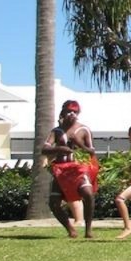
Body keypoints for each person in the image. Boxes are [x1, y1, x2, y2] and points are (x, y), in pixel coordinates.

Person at [41, 99, 98, 239]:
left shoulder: (84, 130)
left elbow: (91, 151)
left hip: (79, 169)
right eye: (68, 111)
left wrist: (79, 144)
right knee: (54, 203)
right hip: (61, 170)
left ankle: (88, 229)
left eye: (75, 111)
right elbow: (44, 149)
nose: (72, 114)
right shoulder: (56, 131)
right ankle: (70, 229)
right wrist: (59, 148)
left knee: (88, 194)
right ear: (63, 112)